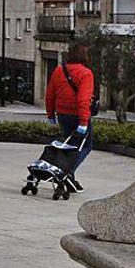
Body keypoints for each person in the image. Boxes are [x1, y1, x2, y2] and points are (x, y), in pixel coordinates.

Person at [45, 41, 96, 193]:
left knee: (68, 146)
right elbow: (83, 99)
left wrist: (50, 113)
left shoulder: (59, 70)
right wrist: (83, 121)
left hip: (62, 115)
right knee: (85, 146)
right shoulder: (86, 73)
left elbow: (50, 94)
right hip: (78, 115)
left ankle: (69, 176)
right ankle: (66, 173)